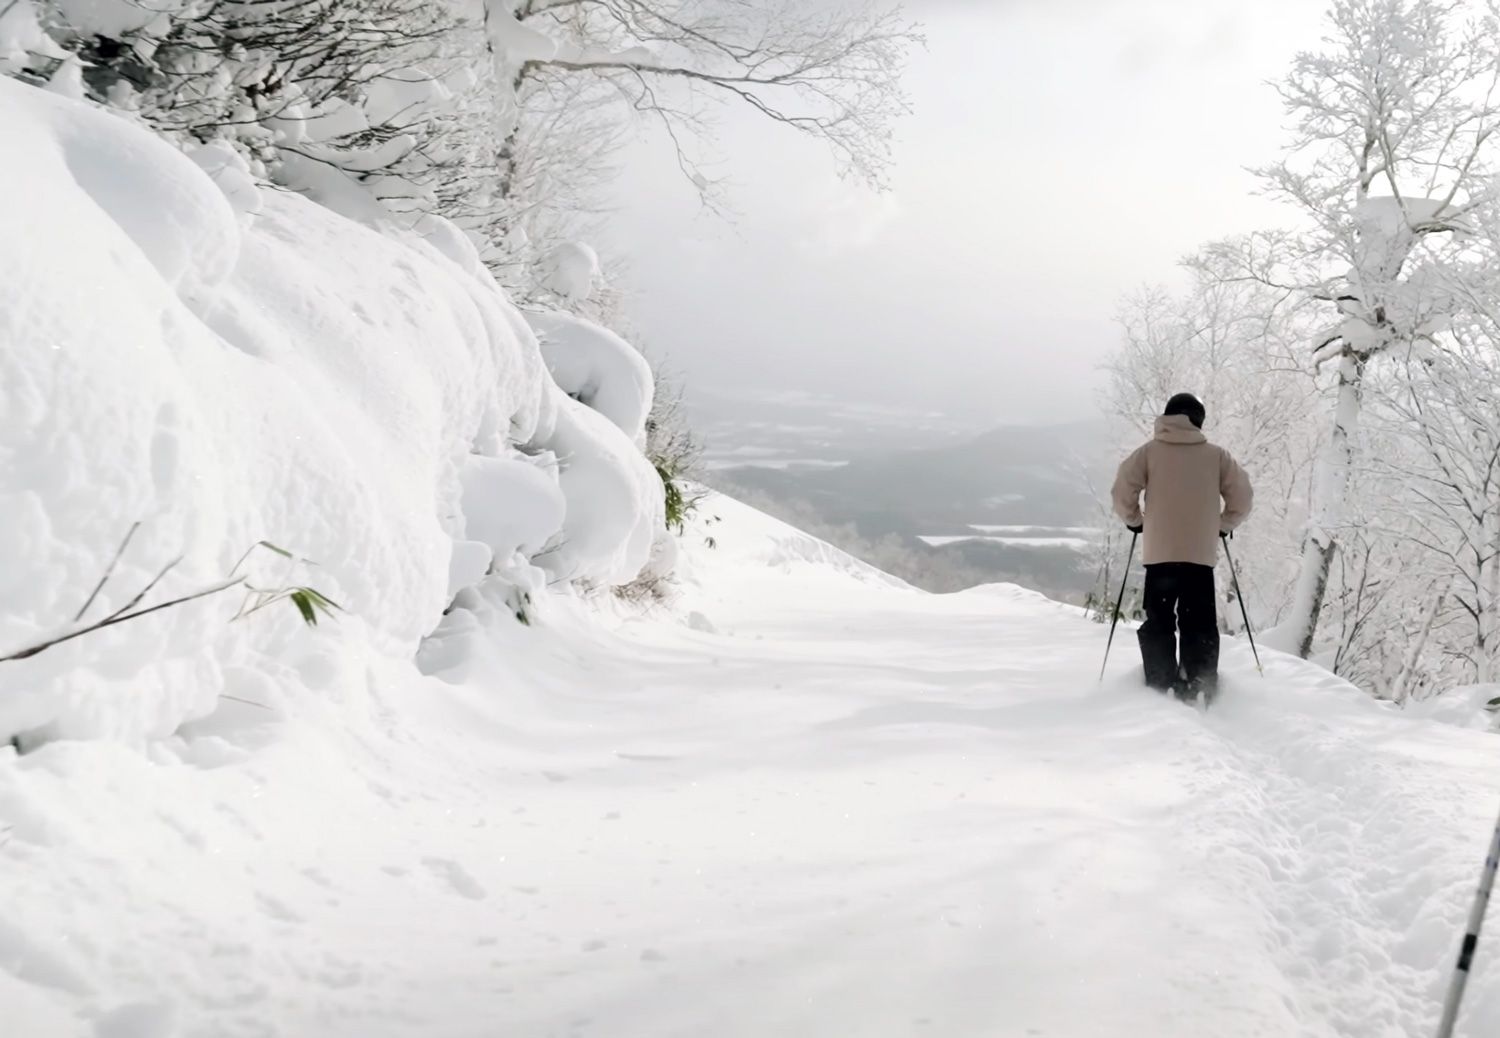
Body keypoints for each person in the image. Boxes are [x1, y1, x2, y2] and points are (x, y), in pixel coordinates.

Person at [1110, 393, 1253, 701]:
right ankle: (1200, 689)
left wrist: (1136, 520)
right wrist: (1222, 525)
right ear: (1198, 421)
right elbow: (1242, 498)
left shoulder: (1148, 453)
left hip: (1160, 556)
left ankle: (1160, 688)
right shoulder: (1217, 456)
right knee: (1199, 623)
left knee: (1159, 622)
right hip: (1199, 557)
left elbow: (1123, 488)